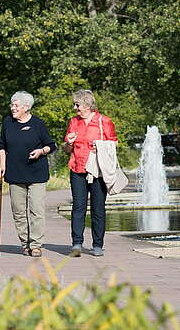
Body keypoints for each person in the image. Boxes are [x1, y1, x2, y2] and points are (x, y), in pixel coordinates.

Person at [0, 91, 56, 257]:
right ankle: (25, 243)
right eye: (12, 105)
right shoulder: (7, 122)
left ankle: (36, 245)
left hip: (37, 173)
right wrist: (2, 164)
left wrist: (40, 151)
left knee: (36, 209)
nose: (12, 108)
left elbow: (51, 145)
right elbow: (2, 146)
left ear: (26, 107)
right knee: (18, 211)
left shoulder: (38, 124)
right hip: (15, 173)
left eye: (16, 105)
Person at [64, 90, 117, 257]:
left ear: (87, 105)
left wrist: (101, 146)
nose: (75, 108)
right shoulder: (74, 122)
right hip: (77, 168)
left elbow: (114, 144)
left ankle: (97, 245)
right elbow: (67, 148)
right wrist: (69, 143)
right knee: (78, 207)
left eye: (77, 105)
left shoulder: (104, 121)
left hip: (97, 171)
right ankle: (77, 244)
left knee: (98, 208)